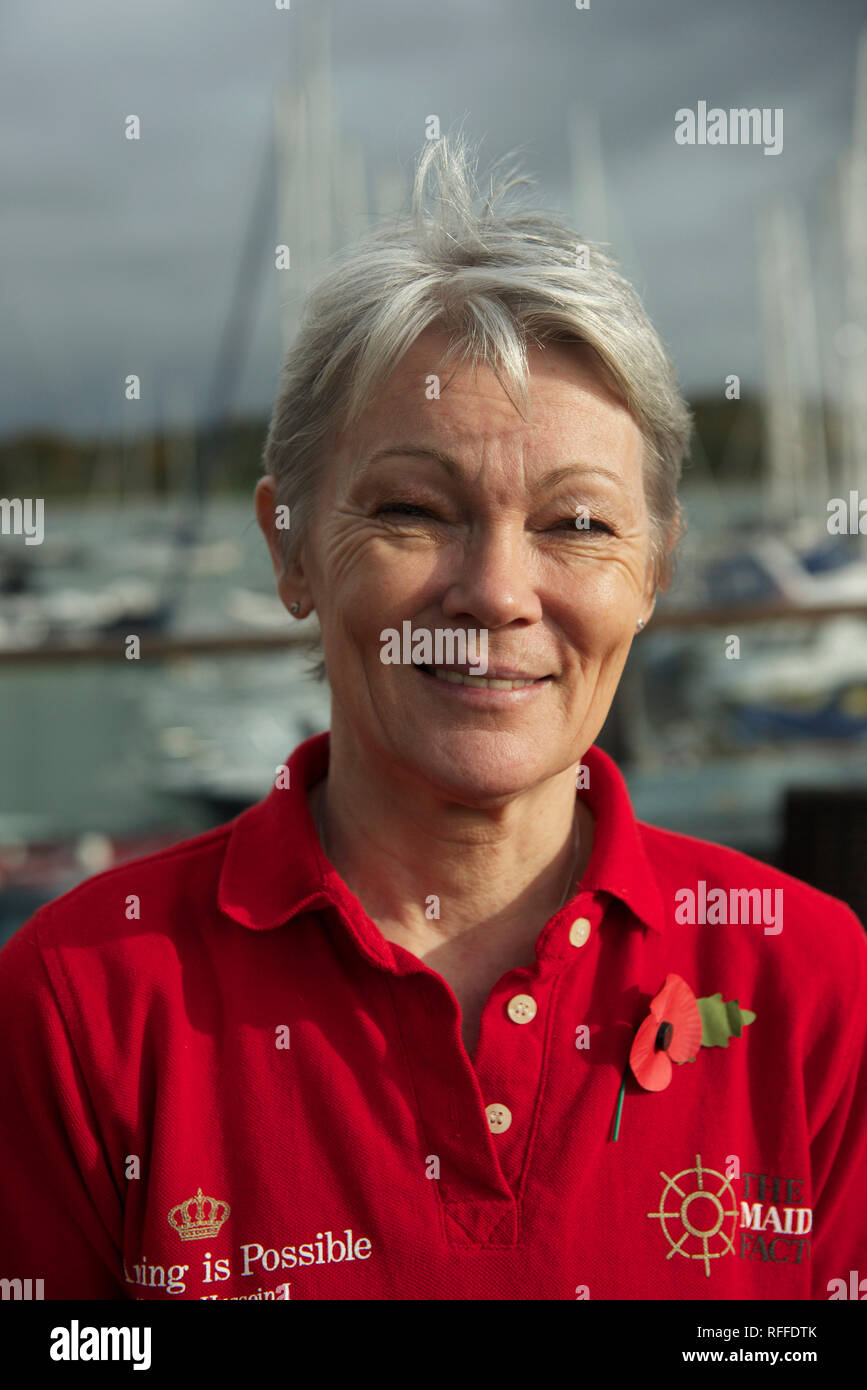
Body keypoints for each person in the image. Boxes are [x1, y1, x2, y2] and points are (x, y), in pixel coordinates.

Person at [1, 134, 865, 1302]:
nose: (499, 591)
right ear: (291, 547)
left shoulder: (816, 986)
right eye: (414, 508)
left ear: (655, 572)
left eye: (578, 525)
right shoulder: (80, 1000)